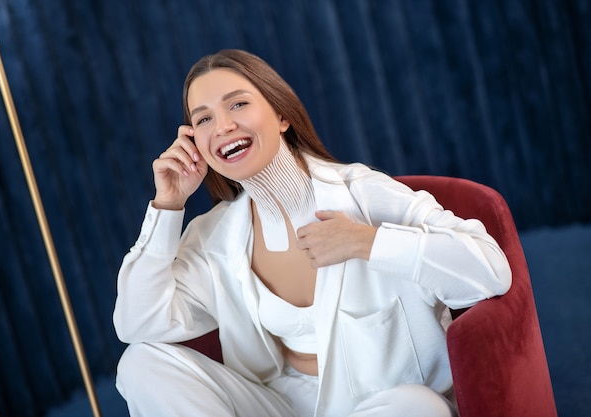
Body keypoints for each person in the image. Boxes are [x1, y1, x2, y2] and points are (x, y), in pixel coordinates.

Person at [113, 49, 512, 417]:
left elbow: (490, 270)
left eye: (238, 103)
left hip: (378, 404)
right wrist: (168, 206)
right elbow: (137, 324)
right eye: (204, 119)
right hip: (284, 404)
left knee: (419, 407)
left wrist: (367, 242)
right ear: (194, 143)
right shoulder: (213, 236)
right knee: (141, 362)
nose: (224, 125)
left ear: (282, 115)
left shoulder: (363, 193)